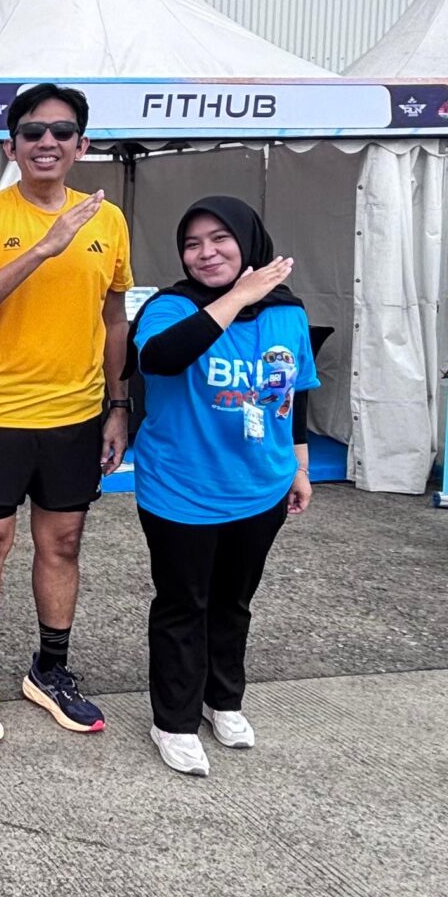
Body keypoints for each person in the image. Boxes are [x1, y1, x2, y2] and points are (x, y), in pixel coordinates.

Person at [0, 83, 130, 743]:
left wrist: (117, 405)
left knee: (64, 543)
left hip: (74, 414)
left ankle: (50, 670)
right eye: (32, 132)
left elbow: (114, 317)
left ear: (82, 145)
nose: (47, 142)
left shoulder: (107, 219)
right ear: (10, 146)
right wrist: (44, 247)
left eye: (61, 131)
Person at [129, 197, 317, 777]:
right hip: (181, 488)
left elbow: (293, 392)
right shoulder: (169, 308)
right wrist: (237, 296)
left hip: (261, 486)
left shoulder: (287, 312)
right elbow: (161, 359)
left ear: (248, 241)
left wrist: (300, 467)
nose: (205, 253)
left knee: (235, 601)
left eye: (219, 239)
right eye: (192, 244)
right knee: (184, 604)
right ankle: (174, 720)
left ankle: (223, 700)